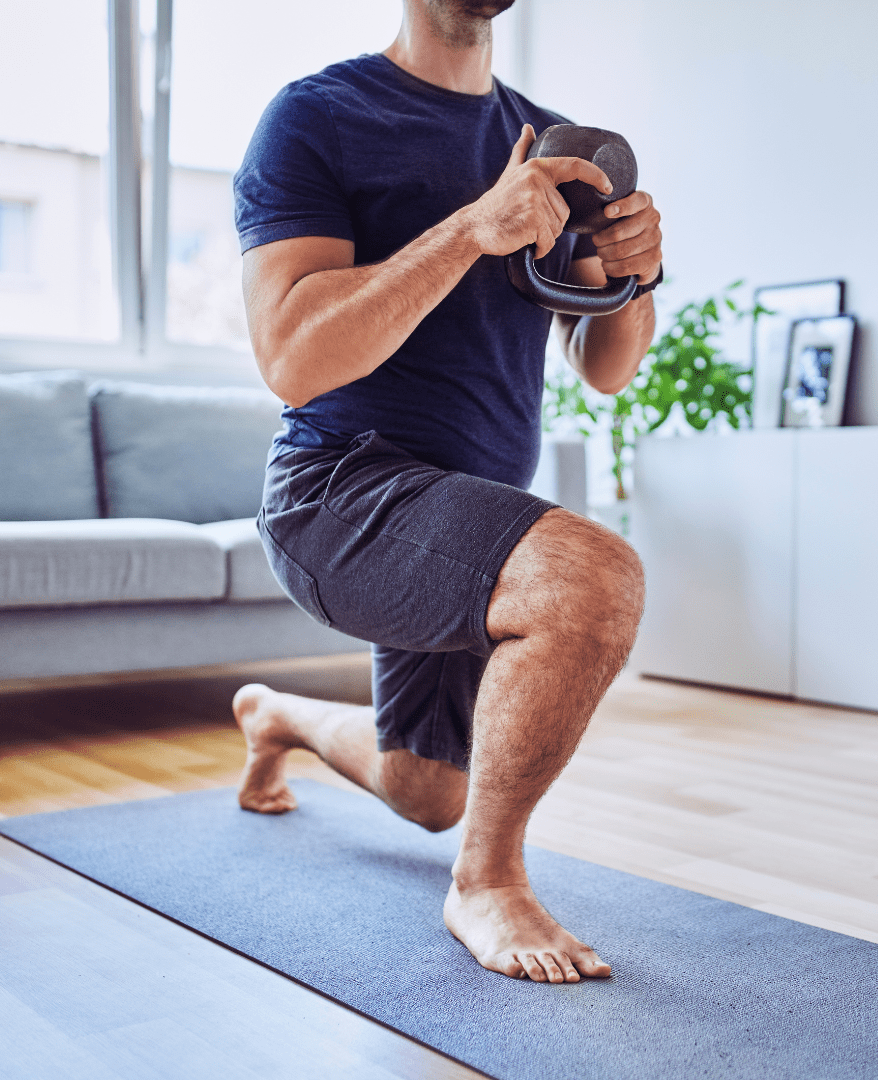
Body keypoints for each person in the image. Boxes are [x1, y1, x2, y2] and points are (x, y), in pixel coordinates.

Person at [231, 0, 662, 984]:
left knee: (427, 790)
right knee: (589, 581)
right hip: (337, 492)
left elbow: (608, 366)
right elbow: (294, 358)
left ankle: (274, 716)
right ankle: (488, 883)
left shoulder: (548, 143)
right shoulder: (316, 116)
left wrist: (638, 278)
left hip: (462, 517)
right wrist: (473, 227)